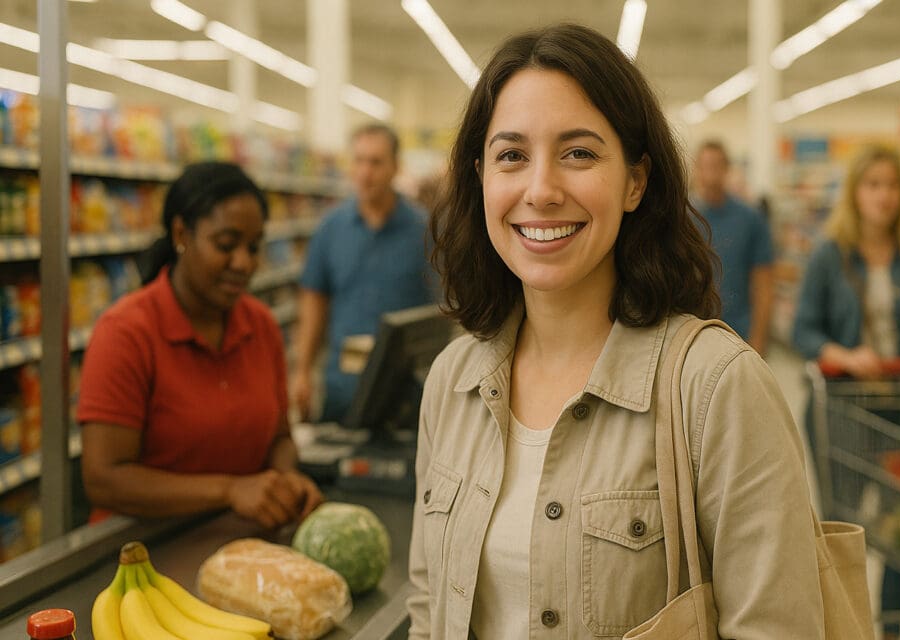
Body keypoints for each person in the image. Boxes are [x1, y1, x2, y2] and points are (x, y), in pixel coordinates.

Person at [408, 24, 826, 639]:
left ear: (635, 181)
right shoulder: (452, 383)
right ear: (480, 177)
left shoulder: (715, 389)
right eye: (511, 155)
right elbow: (428, 609)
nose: (542, 190)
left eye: (579, 153)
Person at [78, 161, 323, 530]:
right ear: (181, 234)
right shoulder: (126, 332)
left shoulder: (261, 326)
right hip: (141, 554)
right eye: (226, 245)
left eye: (254, 247)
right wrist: (229, 490)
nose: (243, 262)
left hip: (240, 541)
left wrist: (283, 479)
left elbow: (280, 439)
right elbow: (104, 479)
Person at [792, 144, 900, 639]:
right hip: (842, 413)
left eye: (892, 185)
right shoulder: (827, 256)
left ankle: (894, 629)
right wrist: (842, 355)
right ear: (855, 193)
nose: (883, 195)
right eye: (873, 184)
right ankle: (849, 627)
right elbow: (804, 332)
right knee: (846, 528)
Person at [293, 123, 435, 423]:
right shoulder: (330, 229)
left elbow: (443, 309)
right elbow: (313, 302)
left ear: (396, 166)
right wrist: (302, 371)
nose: (365, 172)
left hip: (406, 390)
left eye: (376, 162)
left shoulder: (424, 232)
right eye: (358, 160)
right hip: (344, 386)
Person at [692, 140, 774, 355]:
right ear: (696, 170)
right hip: (693, 334)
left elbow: (763, 283)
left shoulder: (751, 219)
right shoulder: (683, 219)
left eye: (716, 166)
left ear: (727, 169)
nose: (711, 174)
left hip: (740, 334)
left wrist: (758, 340)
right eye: (705, 166)